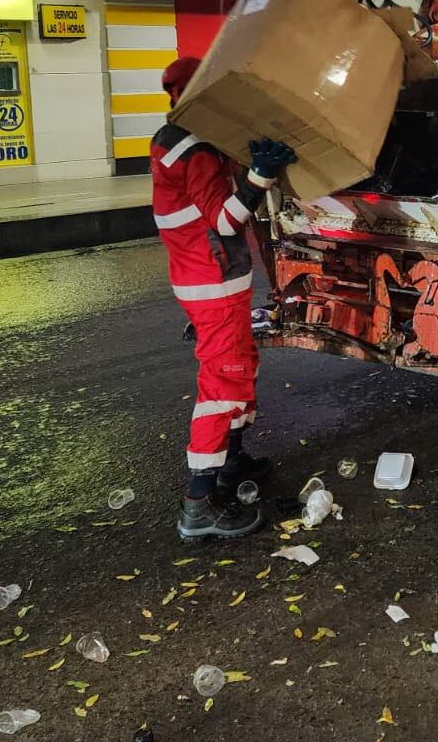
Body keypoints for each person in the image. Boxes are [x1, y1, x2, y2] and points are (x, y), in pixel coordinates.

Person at [152, 56, 296, 540]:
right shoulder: (196, 151)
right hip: (211, 283)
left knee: (240, 363)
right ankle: (200, 501)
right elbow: (225, 221)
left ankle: (233, 465)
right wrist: (259, 177)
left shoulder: (173, 138)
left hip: (205, 279)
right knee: (224, 383)